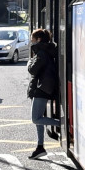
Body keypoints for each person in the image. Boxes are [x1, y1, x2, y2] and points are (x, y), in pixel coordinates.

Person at [26, 28, 59, 159]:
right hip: (41, 87)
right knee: (39, 118)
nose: (31, 41)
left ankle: (62, 124)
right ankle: (40, 147)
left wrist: (29, 62)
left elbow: (33, 70)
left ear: (38, 39)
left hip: (42, 89)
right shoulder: (43, 50)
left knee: (35, 118)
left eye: (32, 38)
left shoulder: (41, 53)